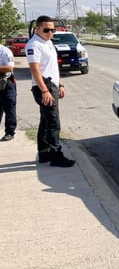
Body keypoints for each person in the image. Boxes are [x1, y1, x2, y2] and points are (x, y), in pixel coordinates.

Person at [25, 15, 75, 167]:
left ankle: (44, 153)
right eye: (47, 30)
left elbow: (51, 67)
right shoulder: (34, 45)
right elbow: (35, 70)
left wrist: (60, 84)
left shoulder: (48, 42)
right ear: (37, 28)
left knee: (45, 121)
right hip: (44, 87)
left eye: (53, 30)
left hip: (51, 85)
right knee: (53, 122)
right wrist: (45, 91)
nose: (50, 33)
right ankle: (56, 156)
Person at [0, 43, 17, 141]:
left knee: (9, 108)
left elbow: (9, 68)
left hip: (6, 83)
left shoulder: (4, 51)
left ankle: (10, 132)